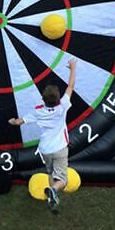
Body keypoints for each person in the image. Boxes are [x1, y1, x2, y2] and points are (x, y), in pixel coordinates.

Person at [8, 59, 76, 214]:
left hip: (45, 149)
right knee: (63, 181)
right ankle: (53, 190)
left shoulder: (38, 111)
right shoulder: (63, 106)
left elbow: (19, 122)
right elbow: (71, 86)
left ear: (43, 99)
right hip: (59, 148)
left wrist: (11, 121)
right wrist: (72, 69)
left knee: (51, 173)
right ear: (58, 98)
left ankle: (52, 197)